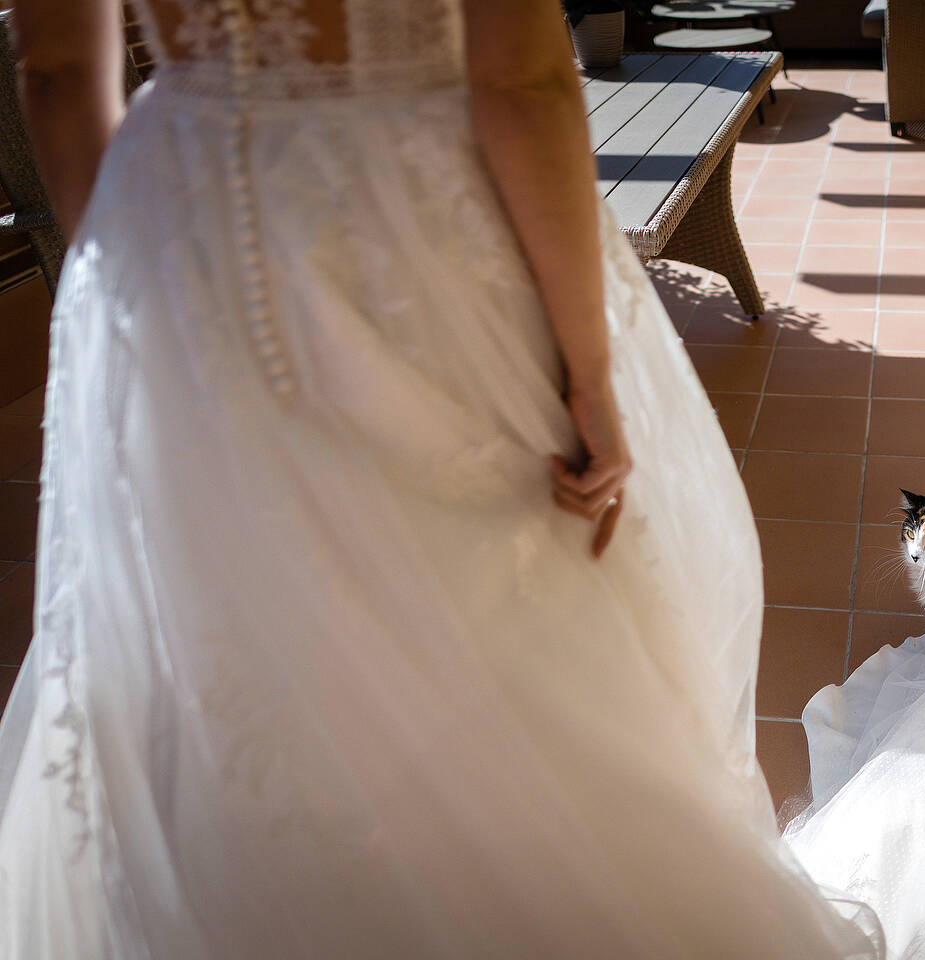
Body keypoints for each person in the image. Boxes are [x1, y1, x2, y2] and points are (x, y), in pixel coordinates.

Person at [0, 1, 878, 956]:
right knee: (512, 613)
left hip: (178, 228)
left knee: (225, 623)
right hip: (415, 232)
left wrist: (133, 288)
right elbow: (522, 79)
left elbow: (54, 71)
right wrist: (589, 376)